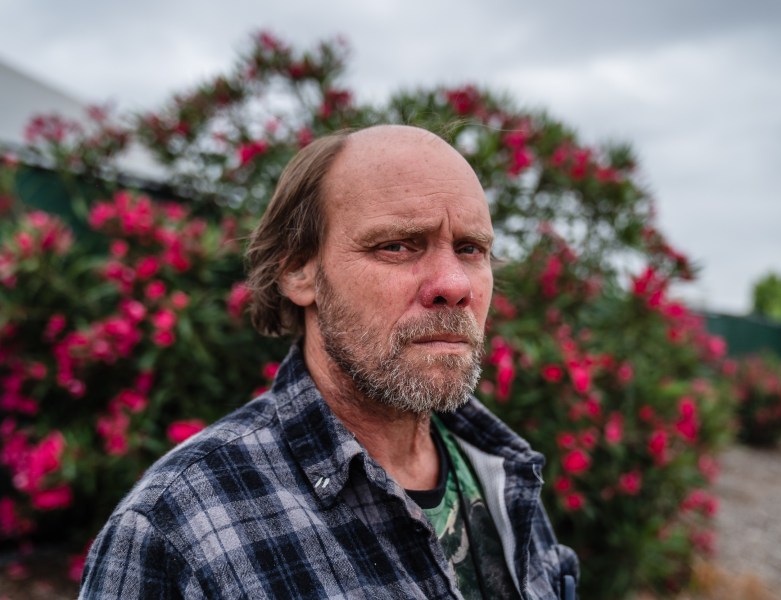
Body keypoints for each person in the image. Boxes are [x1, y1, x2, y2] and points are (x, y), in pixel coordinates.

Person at [80, 125, 579, 599]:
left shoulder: (502, 470)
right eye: (397, 246)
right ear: (298, 271)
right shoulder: (177, 526)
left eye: (471, 249)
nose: (454, 285)